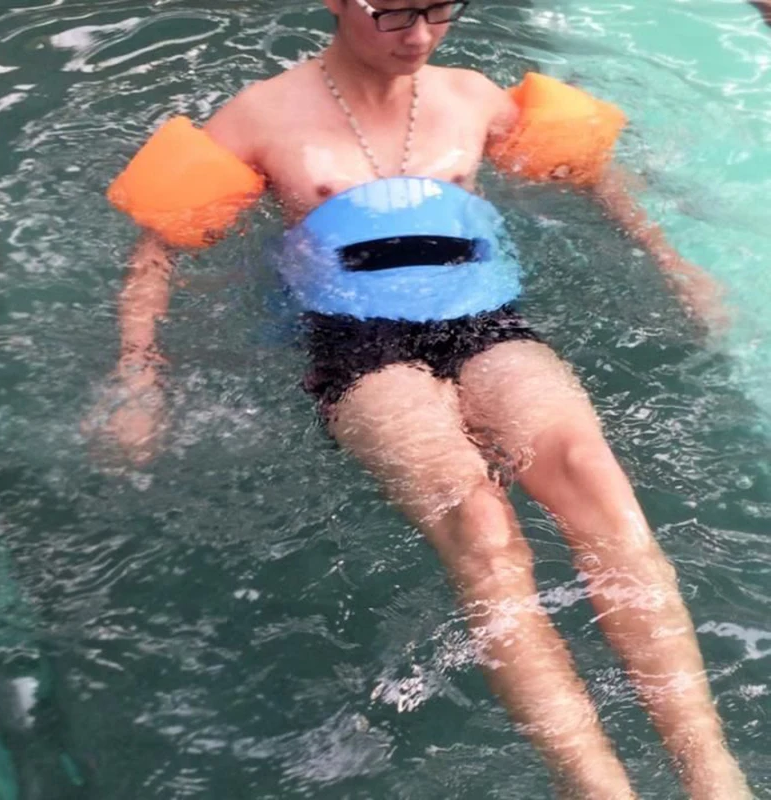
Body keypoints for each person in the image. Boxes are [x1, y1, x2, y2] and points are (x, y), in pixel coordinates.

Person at [93, 1, 752, 797]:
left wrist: (675, 264)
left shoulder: (471, 96)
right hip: (355, 341)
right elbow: (157, 253)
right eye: (395, 12)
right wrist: (137, 377)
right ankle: (594, 786)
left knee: (596, 481)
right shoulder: (258, 116)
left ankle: (712, 772)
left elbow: (590, 174)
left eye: (440, 10)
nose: (418, 35)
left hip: (485, 320)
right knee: (479, 521)